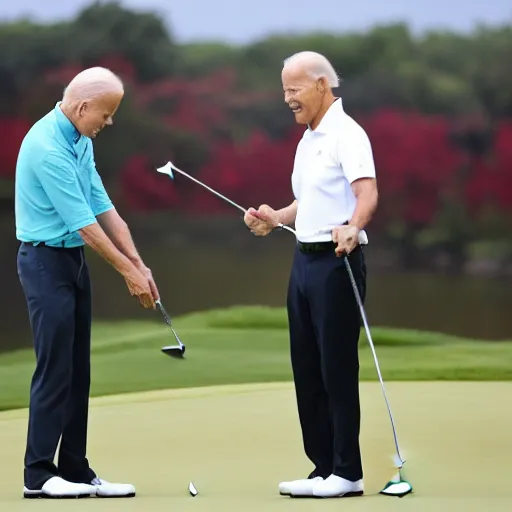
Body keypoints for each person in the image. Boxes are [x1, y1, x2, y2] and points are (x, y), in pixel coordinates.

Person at [15, 67, 159, 499]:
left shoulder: (80, 141)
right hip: (43, 262)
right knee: (54, 367)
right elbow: (84, 225)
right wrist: (127, 274)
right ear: (82, 107)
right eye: (106, 114)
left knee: (79, 369)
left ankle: (75, 470)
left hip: (71, 263)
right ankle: (38, 475)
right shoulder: (46, 147)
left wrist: (138, 263)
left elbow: (102, 205)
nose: (108, 122)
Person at [244, 51, 378, 499]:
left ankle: (348, 471)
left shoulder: (348, 134)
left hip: (337, 262)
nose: (287, 98)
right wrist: (274, 217)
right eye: (284, 89)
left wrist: (353, 227)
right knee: (307, 366)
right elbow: (308, 202)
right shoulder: (308, 139)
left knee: (336, 367)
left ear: (322, 85)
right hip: (303, 261)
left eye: (294, 89)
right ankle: (323, 468)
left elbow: (366, 193)